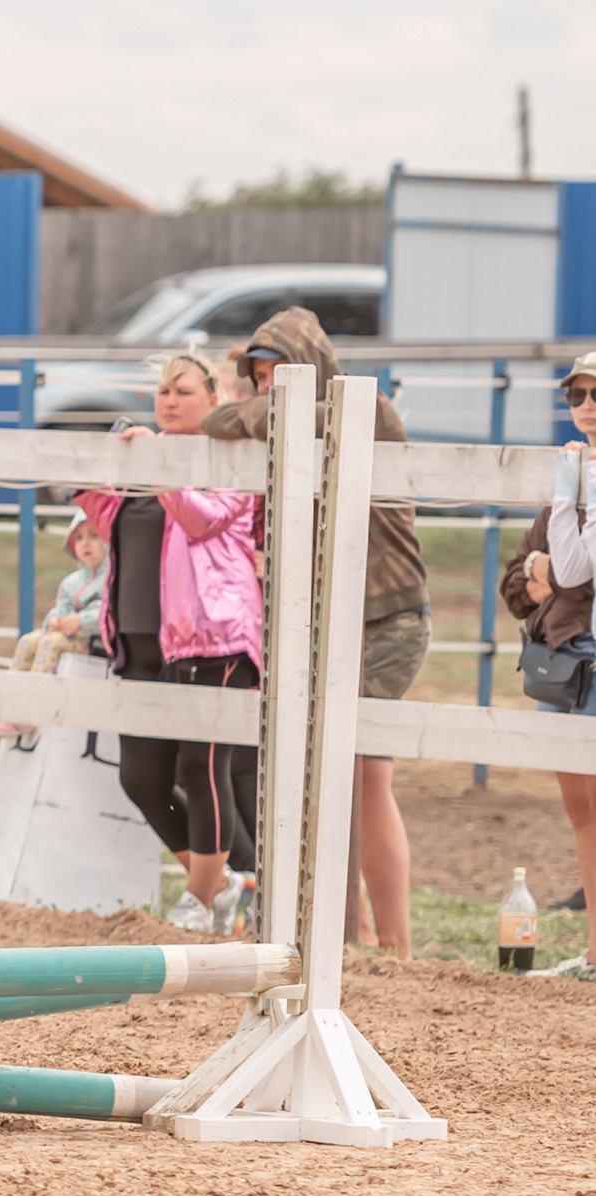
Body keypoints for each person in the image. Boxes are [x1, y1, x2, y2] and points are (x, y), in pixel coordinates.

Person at [203, 306, 423, 955]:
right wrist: (249, 408)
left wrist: (253, 409)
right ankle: (353, 931)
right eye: (259, 374)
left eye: (279, 370)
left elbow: (273, 417)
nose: (268, 385)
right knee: (322, 772)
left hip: (384, 616)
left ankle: (393, 941)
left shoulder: (365, 406)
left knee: (363, 773)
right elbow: (220, 421)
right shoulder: (278, 416)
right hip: (324, 620)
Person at [75, 352, 263, 934]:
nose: (169, 401)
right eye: (163, 392)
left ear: (213, 399)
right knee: (140, 777)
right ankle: (221, 883)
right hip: (140, 640)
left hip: (211, 637)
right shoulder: (145, 460)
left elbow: (204, 520)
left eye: (183, 391)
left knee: (202, 767)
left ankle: (201, 900)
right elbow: (110, 522)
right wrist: (99, 474)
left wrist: (157, 469)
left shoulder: (228, 459)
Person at [496, 350, 596, 978]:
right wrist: (544, 572)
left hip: (584, 658)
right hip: (562, 664)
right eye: (576, 395)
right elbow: (515, 585)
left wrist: (548, 574)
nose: (586, 405)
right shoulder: (570, 478)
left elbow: (570, 576)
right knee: (582, 810)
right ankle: (594, 949)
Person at [0, 512, 107, 741]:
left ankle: (31, 710)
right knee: (28, 641)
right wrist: (56, 621)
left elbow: (109, 614)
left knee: (50, 643)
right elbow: (60, 608)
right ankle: (5, 707)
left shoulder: (113, 579)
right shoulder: (71, 582)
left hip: (97, 643)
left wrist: (79, 622)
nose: (85, 543)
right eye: (79, 538)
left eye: (94, 536)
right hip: (69, 638)